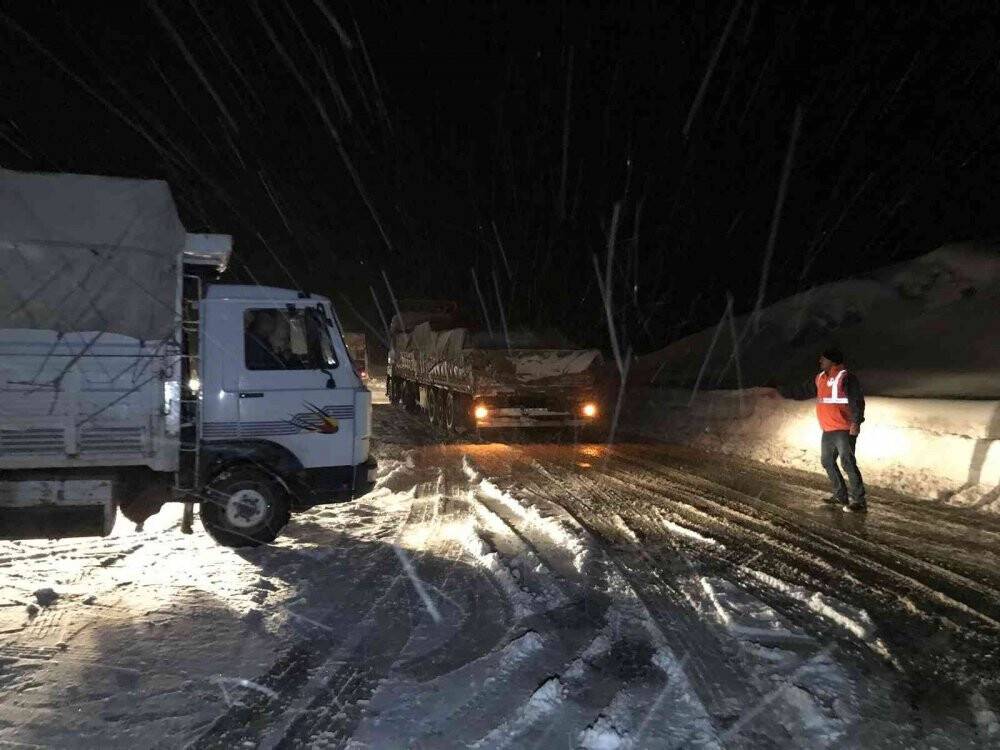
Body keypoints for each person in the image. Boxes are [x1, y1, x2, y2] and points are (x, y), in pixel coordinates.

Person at [815, 347, 867, 512]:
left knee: (847, 463)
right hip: (828, 429)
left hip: (844, 428)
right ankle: (840, 495)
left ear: (832, 361)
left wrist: (856, 422)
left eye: (823, 359)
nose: (820, 361)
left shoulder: (846, 377)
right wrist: (776, 390)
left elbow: (857, 401)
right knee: (827, 461)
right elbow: (803, 390)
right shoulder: (820, 378)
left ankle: (859, 501)